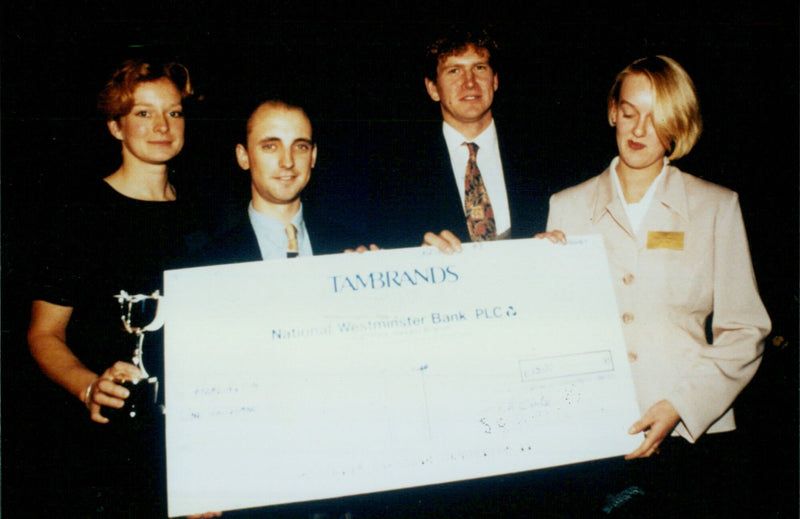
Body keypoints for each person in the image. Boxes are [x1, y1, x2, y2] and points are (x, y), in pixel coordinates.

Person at [541, 55, 770, 515]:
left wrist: (682, 406)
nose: (639, 130)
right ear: (612, 111)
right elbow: (549, 334)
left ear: (678, 125)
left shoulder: (717, 207)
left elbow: (746, 331)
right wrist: (540, 274)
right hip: (591, 441)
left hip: (690, 440)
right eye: (629, 112)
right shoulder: (565, 207)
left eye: (656, 117)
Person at [26, 58, 217, 518]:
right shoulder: (79, 215)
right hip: (112, 451)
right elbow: (42, 333)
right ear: (116, 127)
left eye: (174, 112)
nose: (162, 126)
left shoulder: (209, 214)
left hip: (195, 442)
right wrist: (88, 387)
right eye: (143, 113)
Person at [368, 25, 549, 252]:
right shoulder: (398, 172)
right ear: (433, 88)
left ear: (495, 81)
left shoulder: (543, 157)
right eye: (454, 71)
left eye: (480, 68)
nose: (470, 82)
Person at [199, 99, 372, 266]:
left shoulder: (352, 249)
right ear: (243, 157)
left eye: (300, 147)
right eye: (270, 146)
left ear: (313, 156)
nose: (288, 162)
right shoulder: (204, 263)